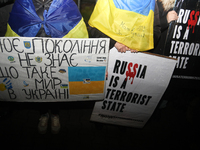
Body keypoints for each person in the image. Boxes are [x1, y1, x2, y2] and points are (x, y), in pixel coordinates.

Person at [5, 0, 88, 134]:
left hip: (59, 58)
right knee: (39, 86)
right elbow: (13, 31)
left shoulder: (66, 3)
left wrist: (87, 61)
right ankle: (43, 114)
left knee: (56, 86)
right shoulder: (22, 3)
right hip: (32, 57)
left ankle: (55, 114)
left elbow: (79, 32)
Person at [89, 0, 161, 53]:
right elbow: (94, 28)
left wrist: (138, 46)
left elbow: (155, 31)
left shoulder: (150, 2)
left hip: (133, 60)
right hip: (107, 54)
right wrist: (114, 42)